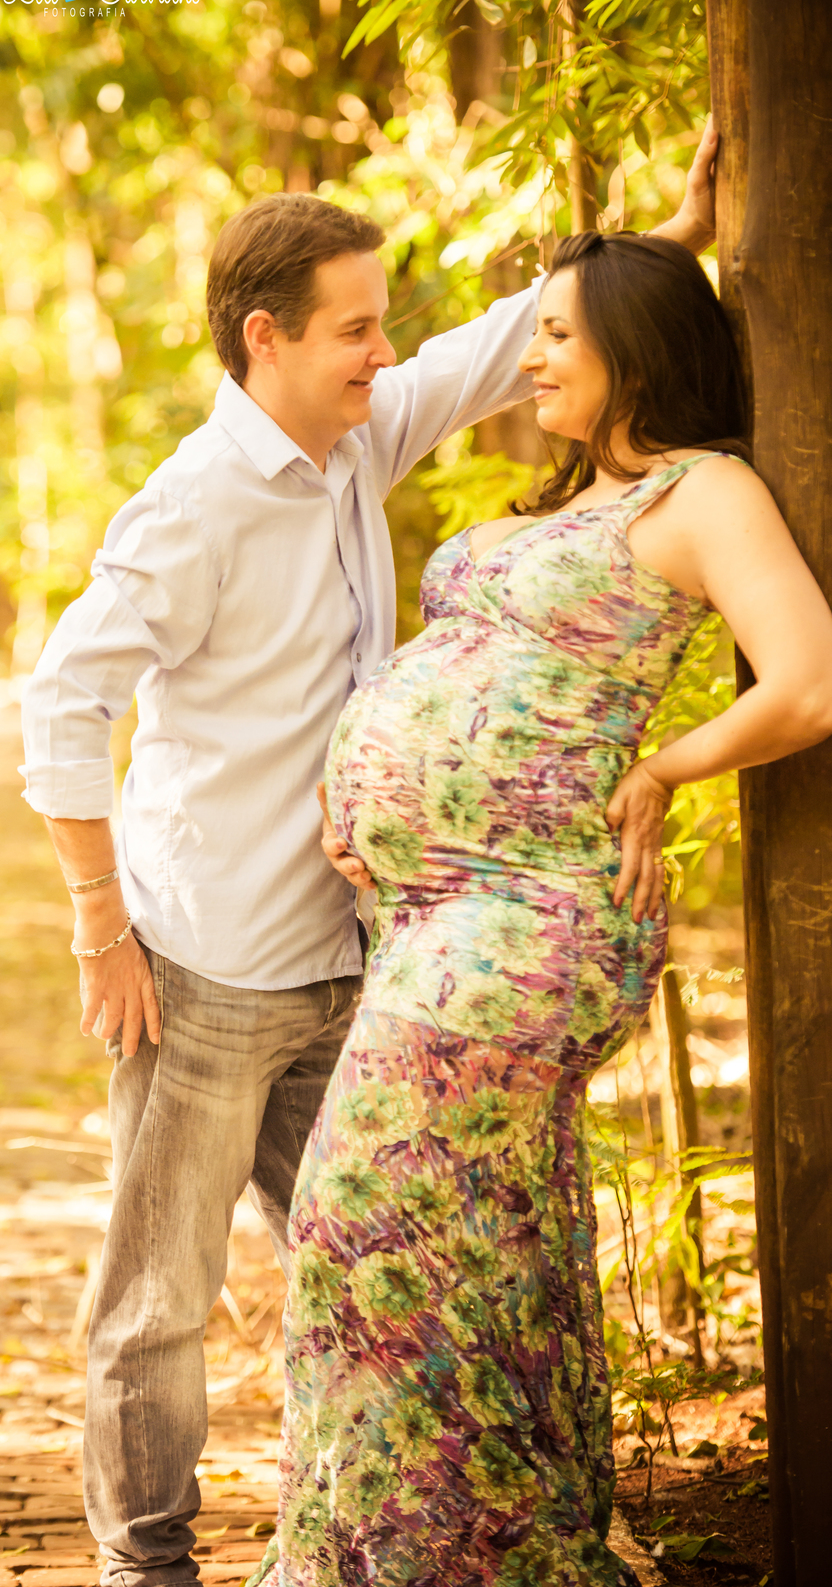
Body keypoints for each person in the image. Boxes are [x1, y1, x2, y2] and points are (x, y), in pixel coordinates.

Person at [20, 140, 718, 1587]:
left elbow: (487, 356)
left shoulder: (355, 430)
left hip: (356, 964)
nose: (383, 353)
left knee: (395, 1254)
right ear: (263, 338)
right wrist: (101, 922)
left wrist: (668, 235)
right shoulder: (192, 504)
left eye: (382, 326)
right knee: (159, 1298)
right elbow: (63, 703)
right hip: (204, 969)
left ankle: (448, 1535)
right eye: (356, 328)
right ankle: (144, 1568)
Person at [251, 231, 832, 1587]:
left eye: (563, 332)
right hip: (427, 920)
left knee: (360, 1218)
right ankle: (506, 1551)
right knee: (491, 1242)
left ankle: (406, 1560)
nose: (533, 353)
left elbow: (807, 677)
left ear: (639, 344)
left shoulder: (707, 489)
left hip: (533, 916)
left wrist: (668, 766)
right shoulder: (571, 496)